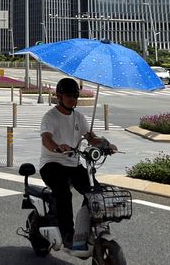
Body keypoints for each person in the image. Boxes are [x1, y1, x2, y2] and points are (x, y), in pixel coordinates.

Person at [39, 77, 116, 249]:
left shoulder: (79, 117)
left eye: (75, 95)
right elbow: (46, 139)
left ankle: (90, 227)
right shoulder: (50, 117)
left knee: (96, 192)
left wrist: (106, 145)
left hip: (73, 165)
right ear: (59, 96)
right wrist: (57, 147)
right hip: (52, 163)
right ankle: (68, 234)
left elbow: (91, 137)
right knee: (64, 194)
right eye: (69, 95)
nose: (73, 99)